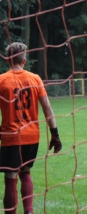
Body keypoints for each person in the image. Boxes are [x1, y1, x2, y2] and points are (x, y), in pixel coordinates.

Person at [0, 42, 62, 214]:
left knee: (10, 179)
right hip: (32, 136)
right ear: (24, 60)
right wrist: (55, 134)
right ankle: (29, 211)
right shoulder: (35, 79)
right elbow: (47, 108)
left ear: (7, 60)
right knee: (25, 173)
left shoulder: (1, 81)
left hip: (11, 136)